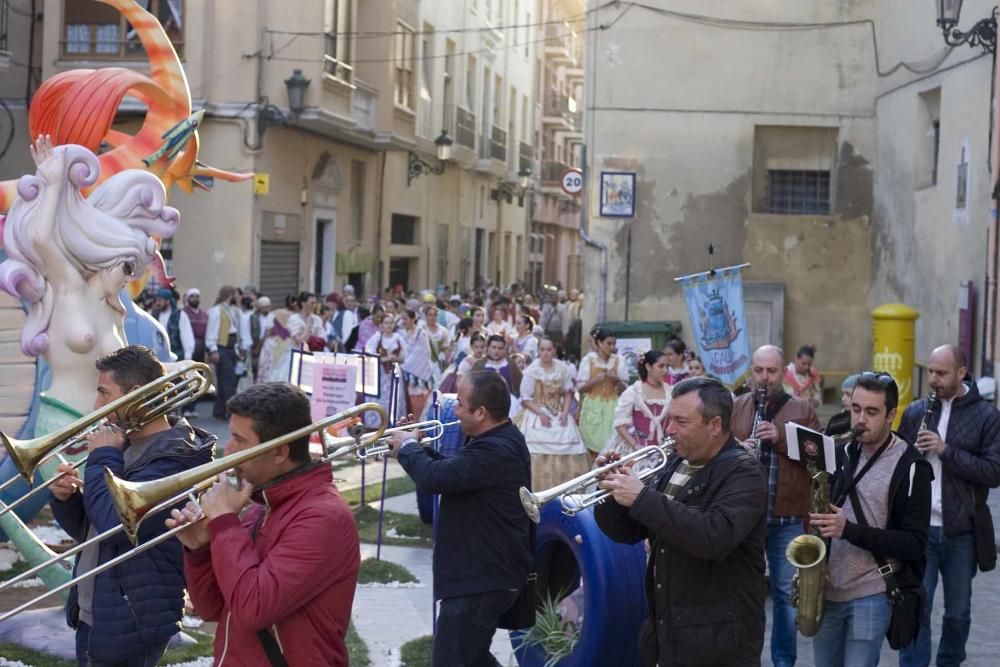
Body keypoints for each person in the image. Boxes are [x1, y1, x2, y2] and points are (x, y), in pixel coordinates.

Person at [166, 382, 361, 666]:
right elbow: (214, 608)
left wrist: (224, 522)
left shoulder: (323, 517)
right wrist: (201, 550)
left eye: (239, 441)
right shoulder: (262, 505)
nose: (228, 451)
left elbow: (252, 608)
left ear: (279, 452)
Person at [49, 346, 215, 666]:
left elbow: (116, 527)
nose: (97, 406)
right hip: (99, 609)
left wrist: (101, 459)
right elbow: (94, 530)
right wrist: (65, 499)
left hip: (131, 618)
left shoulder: (174, 458)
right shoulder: (126, 443)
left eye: (104, 393)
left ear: (135, 395)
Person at [594, 376, 768, 666]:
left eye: (681, 422)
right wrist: (613, 491)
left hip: (720, 644)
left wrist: (641, 497)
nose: (669, 430)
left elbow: (713, 537)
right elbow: (629, 532)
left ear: (714, 426)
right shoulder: (677, 461)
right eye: (669, 419)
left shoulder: (744, 473)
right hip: (669, 632)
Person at [384, 372, 532, 667]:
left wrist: (411, 448)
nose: (454, 410)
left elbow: (435, 479)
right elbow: (456, 473)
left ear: (481, 413)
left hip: (479, 580)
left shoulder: (496, 449)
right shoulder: (498, 438)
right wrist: (415, 448)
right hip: (482, 576)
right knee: (473, 658)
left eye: (461, 404)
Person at [811, 372, 931, 667]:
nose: (860, 420)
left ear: (891, 415)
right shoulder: (839, 452)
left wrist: (848, 530)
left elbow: (914, 543)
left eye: (871, 412)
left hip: (872, 593)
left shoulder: (912, 467)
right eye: (855, 409)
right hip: (826, 591)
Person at [898, 345, 1000, 667]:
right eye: (930, 372)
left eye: (941, 373)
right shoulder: (915, 412)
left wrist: (945, 450)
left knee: (958, 613)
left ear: (961, 372)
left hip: (961, 531)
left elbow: (993, 472)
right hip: (920, 529)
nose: (933, 379)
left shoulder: (986, 416)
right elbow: (896, 468)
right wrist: (908, 456)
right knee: (917, 606)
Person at [731, 344, 821, 667]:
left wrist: (780, 438)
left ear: (782, 373)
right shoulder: (738, 407)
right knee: (744, 595)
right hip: (746, 520)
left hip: (787, 519)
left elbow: (819, 458)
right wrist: (737, 449)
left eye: (771, 371)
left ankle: (784, 661)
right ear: (751, 372)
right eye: (758, 371)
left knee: (786, 596)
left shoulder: (802, 409)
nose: (764, 378)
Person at [514, 338, 589, 489]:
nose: (545, 353)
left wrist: (565, 412)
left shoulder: (563, 369)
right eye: (542, 349)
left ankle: (564, 489)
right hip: (536, 412)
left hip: (559, 412)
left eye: (549, 349)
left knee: (571, 442)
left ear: (554, 350)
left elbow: (568, 393)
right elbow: (526, 399)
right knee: (531, 447)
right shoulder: (531, 371)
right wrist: (541, 414)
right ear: (538, 351)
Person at [603, 350, 671, 462]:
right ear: (648, 366)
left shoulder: (671, 392)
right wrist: (636, 446)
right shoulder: (633, 392)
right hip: (637, 451)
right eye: (661, 366)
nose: (665, 370)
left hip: (664, 451)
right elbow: (620, 424)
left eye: (667, 366)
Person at [577, 328, 629, 457]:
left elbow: (624, 389)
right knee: (591, 444)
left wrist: (616, 379)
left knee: (612, 444)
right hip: (593, 406)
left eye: (613, 344)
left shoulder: (618, 361)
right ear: (599, 343)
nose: (612, 347)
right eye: (608, 343)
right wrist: (595, 381)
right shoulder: (589, 360)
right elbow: (580, 389)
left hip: (613, 406)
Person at [206, 285, 243, 420]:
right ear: (229, 295)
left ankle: (219, 411)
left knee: (223, 382)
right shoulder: (216, 311)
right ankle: (231, 412)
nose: (238, 297)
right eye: (235, 294)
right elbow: (212, 331)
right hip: (221, 348)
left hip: (232, 348)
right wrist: (213, 349)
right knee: (229, 381)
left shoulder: (233, 310)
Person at [365, 312, 405, 424]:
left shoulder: (398, 339)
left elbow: (403, 358)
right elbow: (370, 355)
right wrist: (386, 358)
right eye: (386, 323)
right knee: (379, 398)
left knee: (395, 397)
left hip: (394, 372)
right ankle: (377, 423)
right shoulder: (377, 338)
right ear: (381, 325)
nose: (389, 325)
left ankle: (394, 422)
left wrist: (394, 358)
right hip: (380, 373)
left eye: (391, 323)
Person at [472, 334, 524, 414]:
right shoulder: (479, 365)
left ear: (504, 349)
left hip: (509, 404)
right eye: (494, 347)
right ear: (488, 348)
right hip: (485, 405)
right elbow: (472, 386)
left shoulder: (510, 364)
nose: (496, 351)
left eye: (500, 348)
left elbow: (520, 384)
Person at [399, 309, 435, 418]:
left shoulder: (421, 333)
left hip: (418, 375)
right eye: (402, 319)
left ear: (413, 319)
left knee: (420, 404)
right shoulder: (401, 333)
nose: (403, 321)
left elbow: (424, 353)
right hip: (404, 375)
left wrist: (407, 365)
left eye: (406, 319)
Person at [255, 308, 306, 384]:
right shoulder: (297, 319)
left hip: (274, 346)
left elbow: (263, 363)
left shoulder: (274, 314)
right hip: (288, 347)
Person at [784, 345, 824, 410]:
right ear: (796, 358)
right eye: (803, 363)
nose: (806, 367)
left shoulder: (813, 375)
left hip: (808, 413)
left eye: (809, 364)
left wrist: (814, 402)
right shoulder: (785, 374)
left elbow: (818, 398)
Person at [825, 374, 860, 438]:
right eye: (843, 394)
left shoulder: (865, 421)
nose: (843, 398)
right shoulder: (836, 421)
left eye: (848, 394)